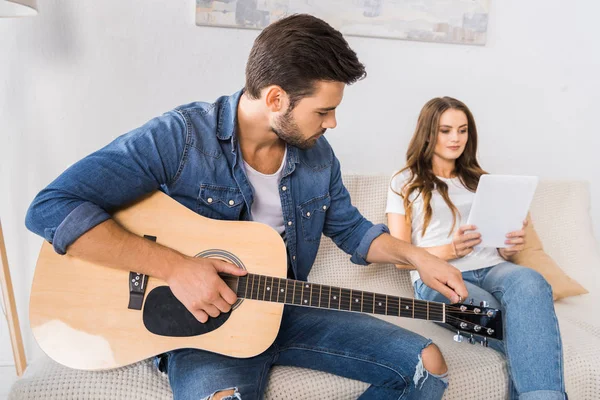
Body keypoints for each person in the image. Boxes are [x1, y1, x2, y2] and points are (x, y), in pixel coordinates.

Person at [25, 15, 467, 400]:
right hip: (201, 327)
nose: (333, 123)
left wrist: (418, 256)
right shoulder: (181, 137)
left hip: (286, 307)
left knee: (426, 364)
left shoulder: (318, 156)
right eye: (324, 111)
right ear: (276, 99)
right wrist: (177, 267)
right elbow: (50, 207)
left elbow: (352, 232)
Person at [386, 96, 567, 400]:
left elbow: (496, 248)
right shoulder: (404, 181)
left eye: (462, 130)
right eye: (445, 130)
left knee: (532, 281)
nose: (456, 138)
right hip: (439, 278)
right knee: (510, 321)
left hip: (493, 267)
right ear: (428, 133)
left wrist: (509, 247)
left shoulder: (481, 180)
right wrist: (451, 249)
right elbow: (400, 258)